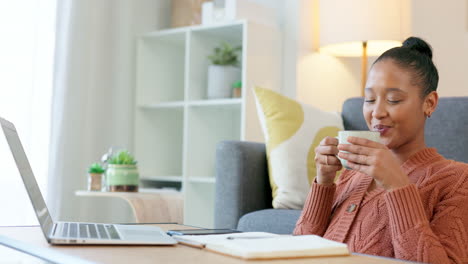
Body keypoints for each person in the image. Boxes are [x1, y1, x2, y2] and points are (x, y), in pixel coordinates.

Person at [293, 37, 468, 264]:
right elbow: (298, 251)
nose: (376, 112)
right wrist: (324, 184)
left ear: (429, 103)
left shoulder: (457, 181)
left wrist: (398, 186)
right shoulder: (352, 175)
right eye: (369, 99)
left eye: (393, 100)